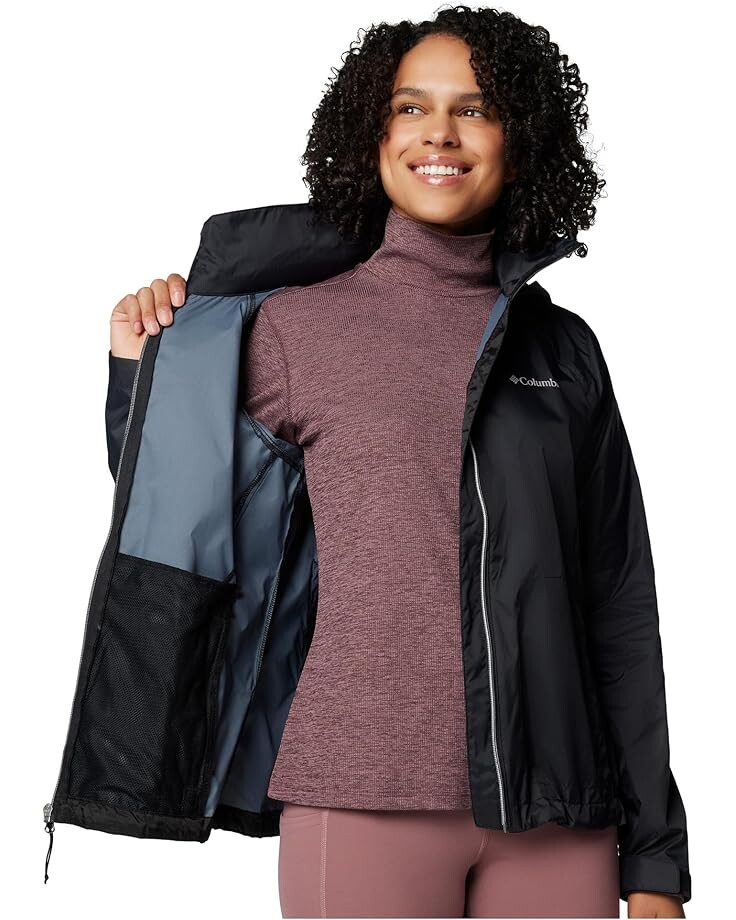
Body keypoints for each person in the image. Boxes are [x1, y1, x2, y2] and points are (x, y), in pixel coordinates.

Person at [107, 6, 689, 918]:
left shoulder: (565, 349)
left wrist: (654, 857)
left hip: (562, 808)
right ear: (372, 137)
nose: (439, 134)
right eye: (410, 108)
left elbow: (618, 601)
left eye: (474, 109)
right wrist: (138, 369)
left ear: (520, 142)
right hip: (361, 793)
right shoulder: (298, 326)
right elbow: (181, 513)